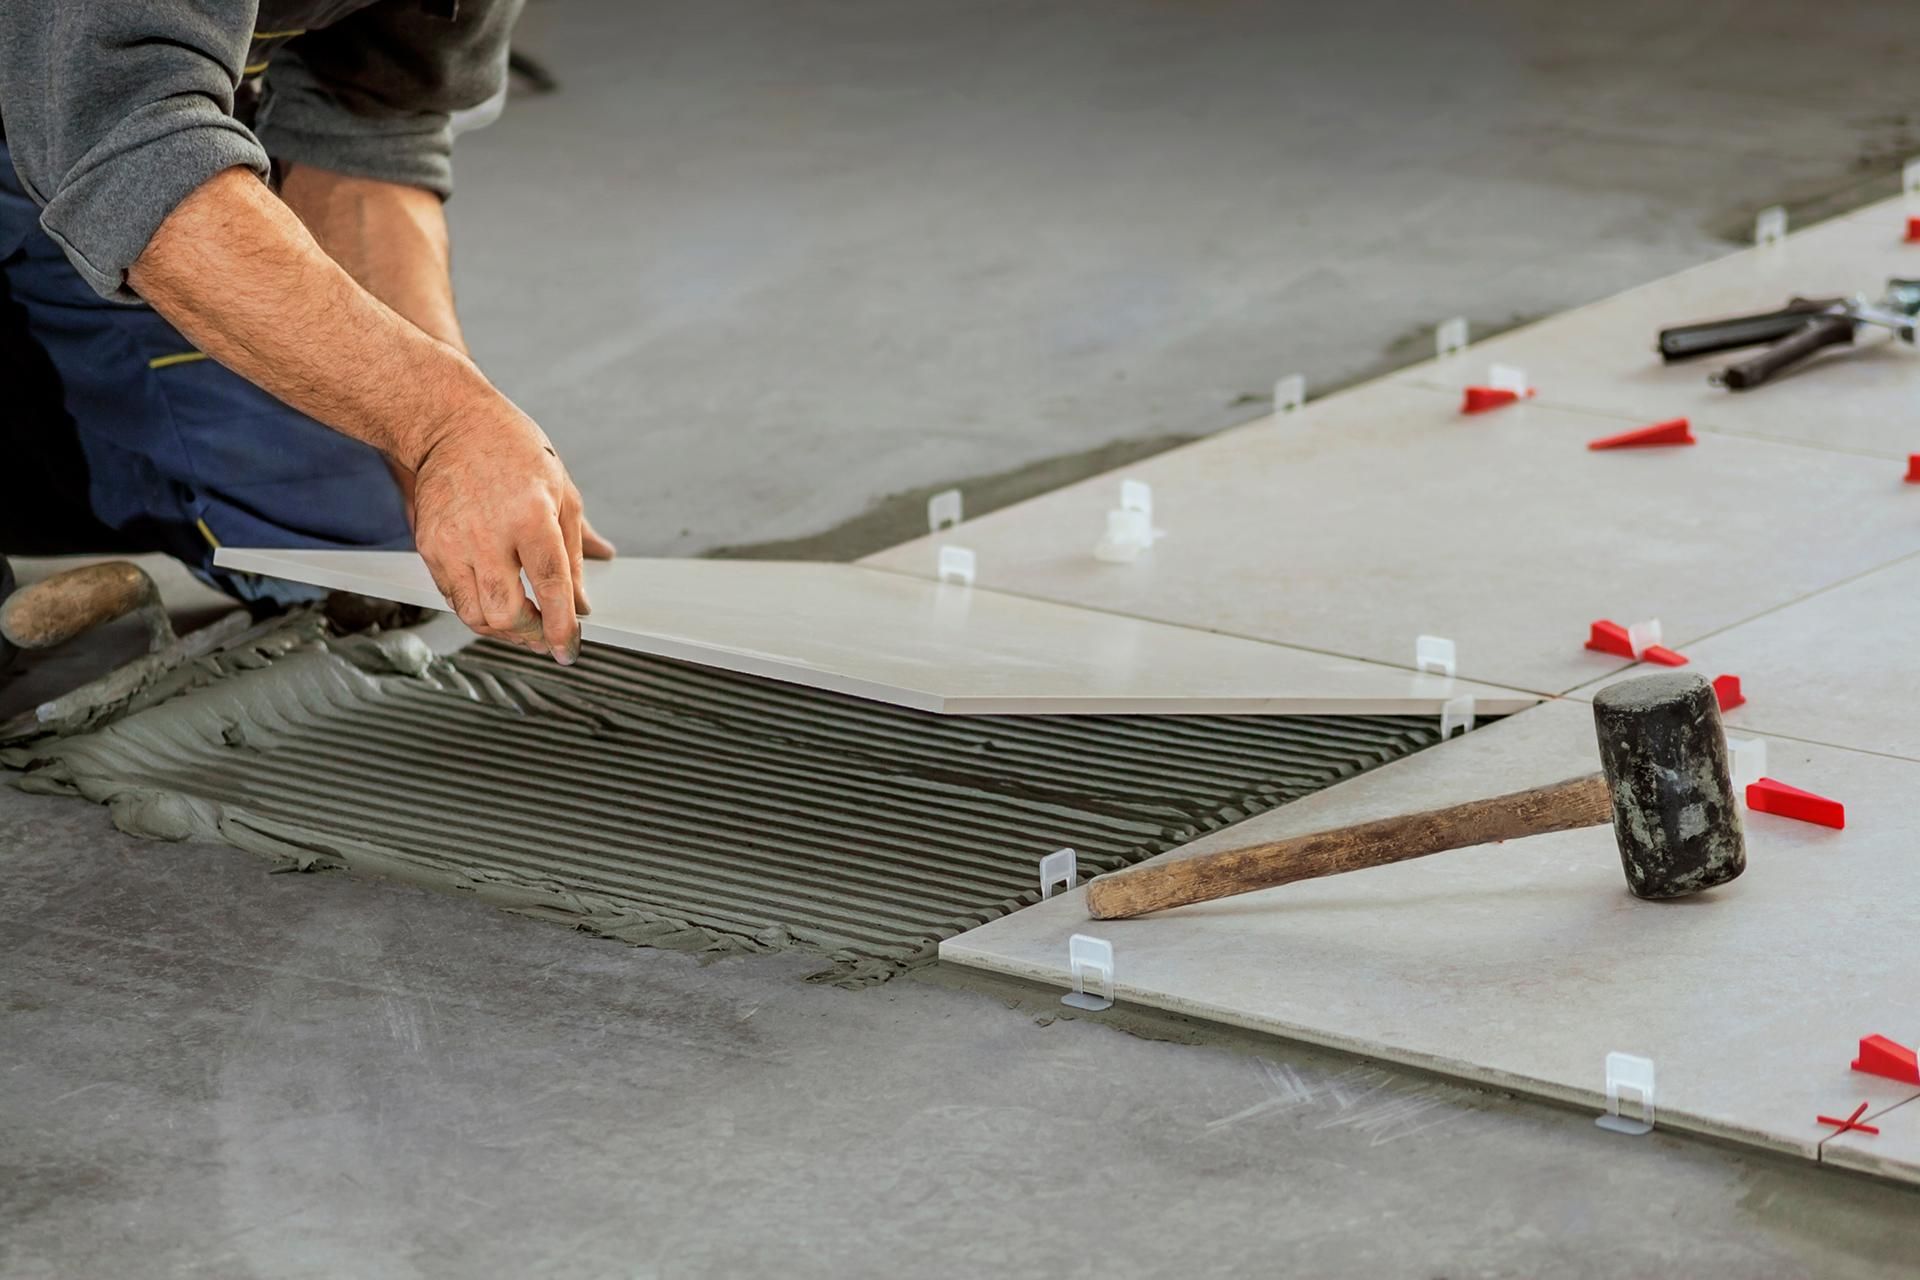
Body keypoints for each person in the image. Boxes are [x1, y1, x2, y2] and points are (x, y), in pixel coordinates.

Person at [0, 0, 607, 666]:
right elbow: (128, 152)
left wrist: (439, 446)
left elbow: (370, 130)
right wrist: (442, 421)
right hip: (86, 121)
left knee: (369, 546)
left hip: (98, 119)